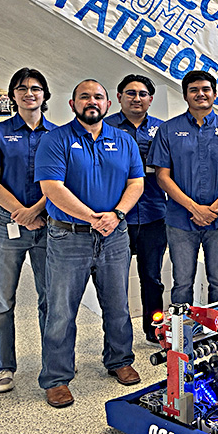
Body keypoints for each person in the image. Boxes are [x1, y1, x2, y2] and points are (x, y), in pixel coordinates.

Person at [35, 79, 144, 408]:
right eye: (85, 97)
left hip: (114, 236)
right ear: (72, 104)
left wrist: (117, 214)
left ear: (108, 104)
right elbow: (52, 187)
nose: (91, 102)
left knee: (118, 305)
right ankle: (56, 378)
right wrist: (93, 217)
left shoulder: (123, 140)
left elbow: (136, 182)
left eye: (98, 96)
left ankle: (120, 360)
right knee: (61, 311)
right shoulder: (55, 140)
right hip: (68, 237)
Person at [0, 67, 56, 394]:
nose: (29, 93)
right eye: (22, 88)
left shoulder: (58, 135)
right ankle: (4, 366)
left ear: (44, 96)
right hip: (8, 224)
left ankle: (55, 360)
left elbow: (62, 181)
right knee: (2, 299)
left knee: (51, 298)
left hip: (49, 224)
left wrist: (36, 211)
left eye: (36, 88)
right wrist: (21, 213)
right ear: (12, 96)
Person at [148, 70, 218, 306]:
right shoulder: (168, 130)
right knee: (182, 281)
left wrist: (214, 208)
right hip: (180, 220)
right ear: (185, 96)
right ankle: (183, 337)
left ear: (215, 94)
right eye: (194, 90)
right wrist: (194, 208)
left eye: (206, 89)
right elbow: (162, 176)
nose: (201, 94)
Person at [104, 74, 167, 344]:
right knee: (115, 282)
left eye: (142, 94)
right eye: (130, 93)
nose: (136, 98)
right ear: (118, 98)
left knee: (152, 278)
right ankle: (118, 338)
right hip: (116, 217)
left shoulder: (162, 130)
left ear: (151, 99)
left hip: (154, 214)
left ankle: (155, 330)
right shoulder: (105, 127)